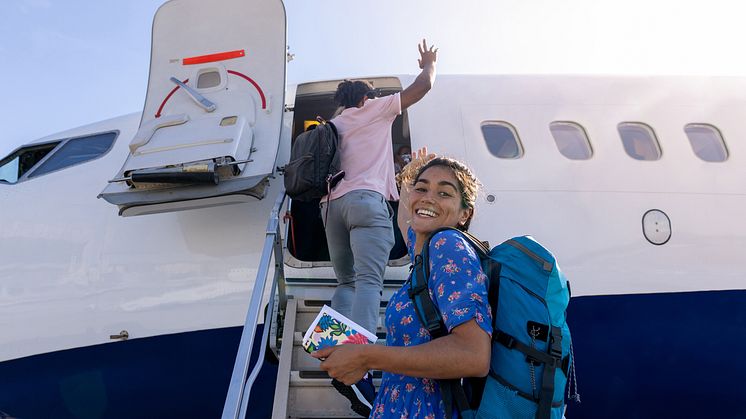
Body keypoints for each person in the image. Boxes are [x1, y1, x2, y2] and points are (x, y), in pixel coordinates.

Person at [314, 151, 492, 419]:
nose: (428, 197)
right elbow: (407, 217)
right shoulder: (424, 252)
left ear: (465, 214)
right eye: (422, 189)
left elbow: (473, 355)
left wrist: (367, 357)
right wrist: (411, 175)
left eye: (444, 193)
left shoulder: (448, 246)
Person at [320, 40, 439, 416]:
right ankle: (357, 369)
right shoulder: (372, 109)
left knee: (346, 283)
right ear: (366, 96)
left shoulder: (335, 123)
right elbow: (423, 88)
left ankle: (330, 348)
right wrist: (429, 64)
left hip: (330, 209)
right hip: (365, 202)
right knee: (370, 282)